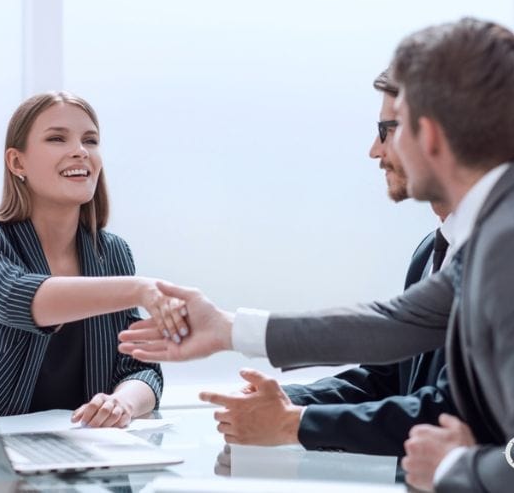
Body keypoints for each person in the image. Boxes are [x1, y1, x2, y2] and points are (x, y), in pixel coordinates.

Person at [121, 18, 514, 492]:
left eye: (399, 123)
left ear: (430, 134)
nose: (379, 149)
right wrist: (227, 329)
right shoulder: (512, 219)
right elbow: (397, 322)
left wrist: (449, 467)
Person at [196, 71, 457, 461]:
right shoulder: (430, 251)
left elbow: (443, 411)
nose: (375, 150)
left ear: (433, 134)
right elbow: (388, 376)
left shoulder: (505, 254)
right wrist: (288, 400)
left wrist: (292, 422)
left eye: (387, 130)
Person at [0, 91, 187, 427]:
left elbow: (140, 367)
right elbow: (16, 297)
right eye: (57, 138)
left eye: (91, 140)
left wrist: (122, 403)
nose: (80, 151)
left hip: (87, 449)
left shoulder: (111, 253)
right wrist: (140, 289)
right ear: (17, 162)